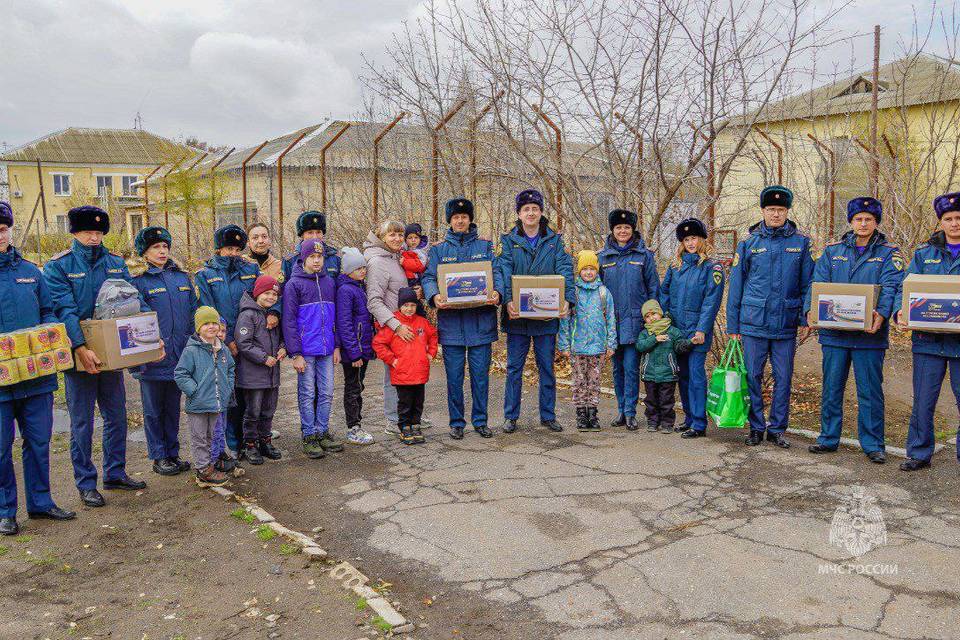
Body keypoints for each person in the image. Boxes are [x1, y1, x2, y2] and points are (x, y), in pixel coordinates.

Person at [44, 205, 149, 508]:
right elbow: (63, 308)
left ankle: (115, 472)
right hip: (80, 357)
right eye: (88, 231)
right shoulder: (59, 267)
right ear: (75, 232)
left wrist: (147, 335)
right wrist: (80, 347)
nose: (94, 237)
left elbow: (133, 300)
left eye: (99, 232)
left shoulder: (115, 262)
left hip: (111, 353)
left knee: (116, 415)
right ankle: (86, 482)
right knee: (82, 422)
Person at [805, 198, 903, 464]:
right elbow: (817, 283)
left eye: (868, 219)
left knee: (870, 391)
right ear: (850, 221)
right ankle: (828, 438)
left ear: (876, 222)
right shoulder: (832, 251)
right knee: (831, 388)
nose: (863, 223)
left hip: (869, 336)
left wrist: (881, 313)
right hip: (835, 336)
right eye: (858, 219)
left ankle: (873, 444)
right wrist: (809, 311)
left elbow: (893, 286)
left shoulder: (887, 253)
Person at [0, 201, 75, 535]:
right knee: (1, 448)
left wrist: (46, 332)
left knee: (39, 442)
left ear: (10, 229)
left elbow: (49, 311)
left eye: (2, 229)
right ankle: (5, 511)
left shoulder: (31, 272)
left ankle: (41, 503)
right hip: (1, 383)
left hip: (37, 377)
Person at [726, 185, 814, 448]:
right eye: (771, 209)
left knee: (783, 377)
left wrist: (805, 318)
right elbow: (737, 286)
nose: (776, 214)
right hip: (753, 323)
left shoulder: (800, 243)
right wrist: (733, 325)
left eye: (781, 210)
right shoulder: (749, 244)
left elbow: (808, 283)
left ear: (787, 211)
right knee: (752, 375)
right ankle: (755, 427)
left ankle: (777, 429)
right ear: (763, 211)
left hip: (785, 324)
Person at [421, 198, 502, 440]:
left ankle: (480, 421)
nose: (460, 220)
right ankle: (456, 422)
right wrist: (434, 296)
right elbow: (427, 277)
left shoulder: (485, 246)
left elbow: (496, 271)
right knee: (454, 378)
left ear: (470, 219)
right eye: (455, 217)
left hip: (481, 322)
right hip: (452, 324)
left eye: (464, 216)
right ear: (450, 220)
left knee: (480, 376)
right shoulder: (438, 249)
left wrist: (498, 292)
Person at [497, 189, 574, 433]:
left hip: (546, 316)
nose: (531, 213)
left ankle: (548, 415)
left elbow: (565, 270)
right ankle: (511, 416)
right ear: (519, 214)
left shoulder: (555, 241)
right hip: (517, 317)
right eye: (526, 209)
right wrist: (508, 300)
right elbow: (503, 270)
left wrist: (567, 300)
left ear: (541, 213)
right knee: (514, 368)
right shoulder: (508, 241)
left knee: (546, 368)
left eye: (535, 209)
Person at [195, 224, 273, 459]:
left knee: (249, 393)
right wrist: (227, 339)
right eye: (229, 248)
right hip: (221, 343)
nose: (233, 254)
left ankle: (251, 440)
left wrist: (274, 312)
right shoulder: (205, 275)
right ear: (219, 249)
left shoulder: (251, 269)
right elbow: (206, 309)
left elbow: (266, 293)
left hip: (250, 342)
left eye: (237, 249)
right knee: (228, 394)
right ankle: (231, 443)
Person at [895, 192, 960, 471]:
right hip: (927, 342)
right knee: (923, 400)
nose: (955, 223)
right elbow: (905, 288)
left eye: (959, 218)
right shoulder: (924, 254)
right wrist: (901, 311)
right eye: (949, 219)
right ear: (940, 222)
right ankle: (919, 453)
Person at [131, 226, 198, 475]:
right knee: (153, 410)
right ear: (144, 252)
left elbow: (193, 311)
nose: (162, 251)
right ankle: (159, 456)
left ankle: (173, 452)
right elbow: (136, 318)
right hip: (153, 357)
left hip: (180, 355)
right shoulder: (137, 280)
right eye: (155, 247)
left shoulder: (181, 277)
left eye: (165, 247)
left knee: (172, 408)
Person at [659, 218, 724, 439]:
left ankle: (699, 422)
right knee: (683, 376)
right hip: (677, 331)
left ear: (702, 239)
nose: (691, 243)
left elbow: (711, 301)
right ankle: (688, 418)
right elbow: (664, 293)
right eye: (686, 239)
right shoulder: (675, 266)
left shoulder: (711, 267)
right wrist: (665, 320)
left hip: (697, 331)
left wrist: (701, 329)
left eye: (694, 238)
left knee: (696, 376)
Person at [597, 209, 660, 431]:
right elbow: (597, 291)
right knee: (616, 369)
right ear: (612, 230)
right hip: (612, 324)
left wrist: (653, 320)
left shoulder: (644, 256)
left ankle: (631, 412)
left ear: (632, 230)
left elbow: (653, 289)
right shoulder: (603, 257)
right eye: (618, 228)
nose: (622, 231)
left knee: (631, 368)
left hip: (635, 323)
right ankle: (621, 410)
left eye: (626, 227)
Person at [283, 239, 343, 458]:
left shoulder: (329, 282)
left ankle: (322, 431)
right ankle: (309, 434)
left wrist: (336, 345)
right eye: (312, 257)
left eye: (320, 257)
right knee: (307, 393)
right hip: (306, 350)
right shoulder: (293, 284)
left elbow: (335, 316)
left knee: (326, 392)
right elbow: (289, 321)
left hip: (327, 349)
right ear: (303, 258)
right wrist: (296, 353)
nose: (317, 260)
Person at [364, 219, 415, 435]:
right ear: (382, 237)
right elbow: (374, 301)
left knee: (410, 372)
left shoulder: (396, 258)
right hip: (392, 328)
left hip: (407, 325)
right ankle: (393, 419)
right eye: (392, 235)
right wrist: (396, 326)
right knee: (394, 374)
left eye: (400, 235)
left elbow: (396, 292)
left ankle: (409, 414)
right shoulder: (377, 262)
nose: (397, 238)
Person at [174, 306, 235, 487]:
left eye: (214, 323)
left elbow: (230, 369)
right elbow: (181, 374)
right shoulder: (191, 350)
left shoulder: (223, 349)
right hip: (198, 404)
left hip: (216, 403)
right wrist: (195, 391)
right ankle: (203, 469)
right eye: (206, 324)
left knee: (211, 436)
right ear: (198, 327)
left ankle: (210, 465)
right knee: (199, 437)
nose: (211, 327)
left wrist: (227, 388)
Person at [557, 250, 616, 432]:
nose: (588, 272)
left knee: (594, 382)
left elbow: (611, 319)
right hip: (578, 347)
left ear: (597, 270)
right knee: (579, 381)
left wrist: (611, 343)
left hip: (598, 347)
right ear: (579, 271)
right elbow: (565, 320)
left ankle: (593, 413)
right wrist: (564, 345)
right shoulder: (573, 293)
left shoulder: (604, 293)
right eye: (585, 269)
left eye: (592, 269)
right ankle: (581, 413)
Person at [372, 287, 438, 445]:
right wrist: (393, 360)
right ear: (400, 305)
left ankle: (416, 425)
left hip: (420, 372)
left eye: (413, 305)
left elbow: (433, 335)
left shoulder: (422, 322)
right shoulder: (394, 323)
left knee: (418, 402)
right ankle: (404, 427)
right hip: (402, 374)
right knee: (405, 403)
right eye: (406, 305)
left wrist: (431, 353)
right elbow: (378, 343)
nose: (409, 309)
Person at [235, 275, 285, 465]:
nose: (271, 297)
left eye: (274, 294)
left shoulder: (272, 316)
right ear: (257, 293)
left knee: (268, 410)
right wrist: (264, 358)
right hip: (254, 375)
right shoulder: (248, 315)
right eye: (267, 293)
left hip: (272, 374)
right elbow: (243, 343)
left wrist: (282, 347)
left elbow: (280, 337)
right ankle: (250, 445)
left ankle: (265, 441)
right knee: (253, 411)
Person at [335, 248, 376, 445]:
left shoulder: (360, 287)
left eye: (364, 267)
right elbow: (345, 324)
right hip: (354, 352)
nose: (363, 271)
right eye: (358, 268)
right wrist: (354, 353)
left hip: (363, 349)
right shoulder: (345, 290)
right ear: (349, 269)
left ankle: (357, 423)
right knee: (353, 388)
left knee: (359, 386)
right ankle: (353, 427)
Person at [635, 300, 693, 433]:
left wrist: (690, 342)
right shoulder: (645, 333)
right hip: (649, 373)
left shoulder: (672, 331)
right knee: (651, 400)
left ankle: (667, 423)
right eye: (647, 316)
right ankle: (653, 422)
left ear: (660, 313)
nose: (651, 318)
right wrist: (654, 339)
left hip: (668, 373)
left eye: (653, 314)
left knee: (666, 400)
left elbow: (679, 346)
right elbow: (640, 346)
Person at [281, 211, 340, 283]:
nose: (315, 237)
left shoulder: (335, 258)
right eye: (310, 232)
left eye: (318, 232)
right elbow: (284, 289)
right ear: (302, 235)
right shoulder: (290, 260)